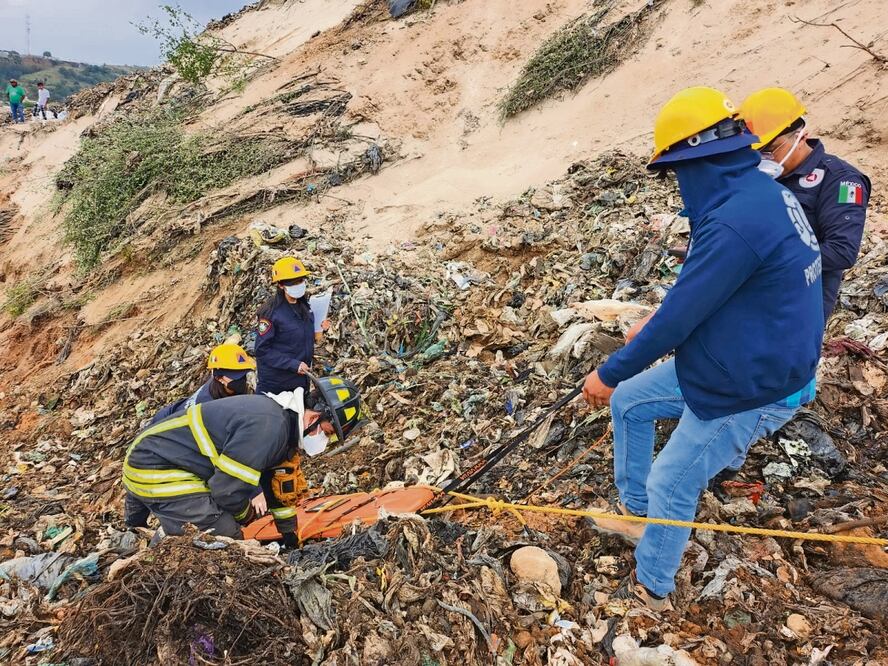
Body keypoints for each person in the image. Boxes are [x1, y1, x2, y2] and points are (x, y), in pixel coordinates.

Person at [580, 87, 824, 610]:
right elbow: (702, 293)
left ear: (699, 163)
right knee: (632, 404)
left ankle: (652, 589)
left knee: (672, 477)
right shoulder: (754, 194)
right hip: (731, 356)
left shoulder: (738, 218)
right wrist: (650, 327)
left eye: (675, 173)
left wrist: (610, 371)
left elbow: (678, 320)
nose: (677, 187)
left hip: (757, 383)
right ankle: (642, 516)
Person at [123, 373, 363, 547]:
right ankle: (168, 546)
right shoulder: (268, 428)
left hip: (168, 461)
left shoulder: (283, 429)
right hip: (153, 467)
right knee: (225, 537)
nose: (325, 439)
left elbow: (278, 491)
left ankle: (169, 533)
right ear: (315, 415)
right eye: (329, 432)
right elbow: (226, 490)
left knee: (218, 524)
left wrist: (291, 538)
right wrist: (246, 516)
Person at [738, 88, 871, 322]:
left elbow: (842, 251)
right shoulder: (758, 176)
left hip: (800, 305)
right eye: (756, 153)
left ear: (800, 135)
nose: (764, 159)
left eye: (770, 150)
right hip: (753, 296)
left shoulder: (840, 180)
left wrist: (768, 263)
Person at [255, 256, 330, 395]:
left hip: (300, 381)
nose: (298, 285)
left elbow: (305, 337)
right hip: (276, 384)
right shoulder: (271, 313)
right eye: (293, 283)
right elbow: (262, 351)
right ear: (281, 285)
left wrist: (321, 329)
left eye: (301, 280)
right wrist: (293, 365)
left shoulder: (305, 306)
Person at [150, 343, 256, 425]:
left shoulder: (220, 386)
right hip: (168, 428)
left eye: (243, 373)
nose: (241, 379)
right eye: (235, 376)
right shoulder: (210, 408)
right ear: (219, 378)